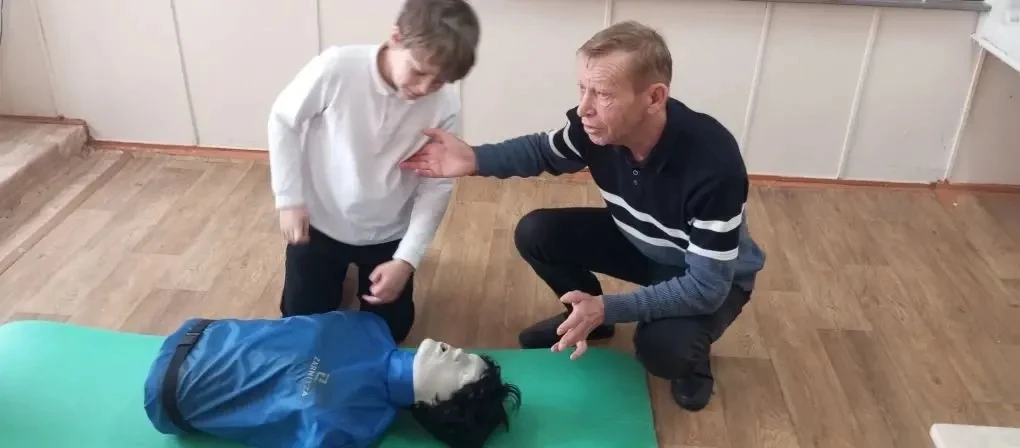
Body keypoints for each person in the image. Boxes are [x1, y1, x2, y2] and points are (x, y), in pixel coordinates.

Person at [399, 20, 766, 412]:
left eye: (602, 94)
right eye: (582, 89)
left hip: (708, 274)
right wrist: (474, 158)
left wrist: (611, 304)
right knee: (537, 232)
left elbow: (706, 287)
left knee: (662, 350)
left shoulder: (713, 164)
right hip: (641, 243)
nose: (584, 108)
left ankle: (691, 358)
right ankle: (587, 317)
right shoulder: (595, 129)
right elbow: (541, 151)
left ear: (654, 97)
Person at [266, 0, 480, 344]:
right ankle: (339, 278)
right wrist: (289, 199)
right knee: (299, 323)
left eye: (439, 82)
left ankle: (356, 277)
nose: (424, 88)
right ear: (395, 38)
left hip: (387, 232)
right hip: (321, 223)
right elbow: (283, 120)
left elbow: (436, 187)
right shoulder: (337, 67)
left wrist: (406, 260)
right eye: (418, 72)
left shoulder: (446, 105)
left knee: (391, 332)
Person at [143, 310, 522, 448]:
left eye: (463, 368)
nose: (457, 351)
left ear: (439, 404)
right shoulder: (371, 326)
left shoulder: (349, 426)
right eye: (467, 354)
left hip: (168, 391)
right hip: (198, 332)